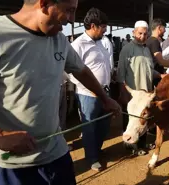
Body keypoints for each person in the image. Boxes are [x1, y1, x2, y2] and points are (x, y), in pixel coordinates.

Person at [0, 0, 121, 184]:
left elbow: (81, 70)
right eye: (69, 10)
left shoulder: (59, 40)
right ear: (44, 4)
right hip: (11, 164)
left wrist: (104, 98)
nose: (72, 19)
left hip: (56, 155)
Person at [69, 8, 114, 172]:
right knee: (89, 127)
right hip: (88, 95)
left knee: (104, 124)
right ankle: (92, 158)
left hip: (105, 92)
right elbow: (71, 74)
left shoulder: (101, 42)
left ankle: (97, 150)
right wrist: (90, 88)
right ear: (94, 26)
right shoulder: (78, 45)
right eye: (103, 27)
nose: (105, 31)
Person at [117, 20, 164, 155]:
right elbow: (121, 72)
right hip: (133, 93)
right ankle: (130, 145)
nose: (142, 36)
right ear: (134, 33)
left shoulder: (147, 50)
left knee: (143, 120)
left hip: (146, 93)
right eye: (139, 33)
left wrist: (160, 75)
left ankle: (141, 144)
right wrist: (123, 91)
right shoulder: (127, 49)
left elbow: (149, 70)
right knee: (131, 119)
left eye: (145, 34)